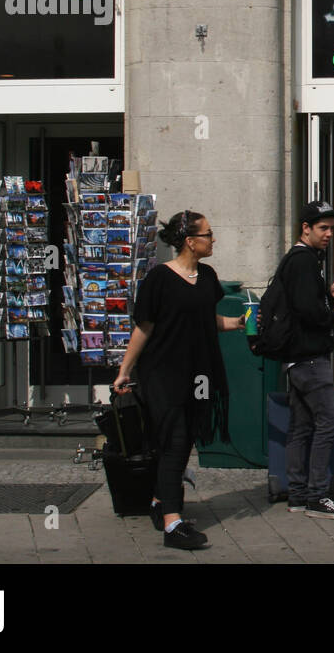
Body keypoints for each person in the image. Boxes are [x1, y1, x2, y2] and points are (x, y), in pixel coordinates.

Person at [114, 210, 238, 550]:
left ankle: (159, 501)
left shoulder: (208, 276)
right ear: (190, 241)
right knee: (175, 440)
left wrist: (238, 323)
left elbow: (207, 320)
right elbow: (144, 328)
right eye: (208, 234)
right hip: (164, 373)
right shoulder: (158, 280)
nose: (214, 239)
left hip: (199, 374)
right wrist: (125, 370)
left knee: (186, 441)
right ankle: (173, 524)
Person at [282, 200, 334, 519]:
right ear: (305, 228)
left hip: (296, 358)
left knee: (301, 426)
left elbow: (304, 301)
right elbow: (307, 311)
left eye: (332, 230)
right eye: (323, 229)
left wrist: (328, 292)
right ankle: (317, 495)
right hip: (310, 357)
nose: (328, 235)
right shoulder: (304, 261)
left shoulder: (299, 260)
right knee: (328, 423)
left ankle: (297, 493)